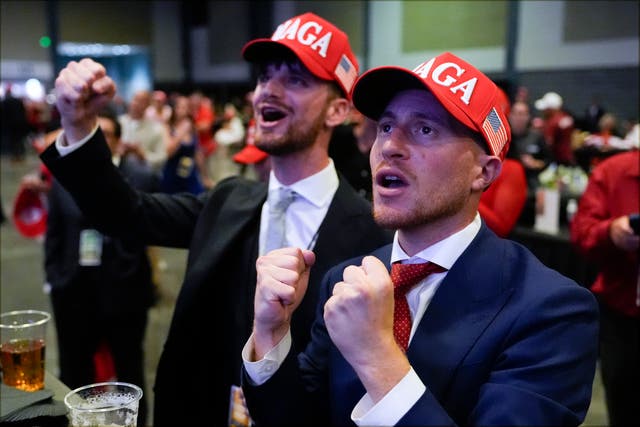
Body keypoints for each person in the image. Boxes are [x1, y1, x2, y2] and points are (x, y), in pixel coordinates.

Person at [41, 12, 392, 427]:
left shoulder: (375, 236)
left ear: (337, 110)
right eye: (264, 77)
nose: (267, 92)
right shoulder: (230, 200)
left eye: (295, 79)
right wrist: (78, 125)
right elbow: (125, 214)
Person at [241, 52, 599, 427]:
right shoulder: (345, 279)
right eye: (385, 127)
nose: (390, 146)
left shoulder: (552, 310)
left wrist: (377, 355)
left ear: (484, 171)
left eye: (425, 129)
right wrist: (270, 333)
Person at [42, 111, 157, 427]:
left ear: (119, 142)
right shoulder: (65, 178)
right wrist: (54, 278)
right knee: (73, 372)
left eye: (107, 134)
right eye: (95, 134)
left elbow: (150, 230)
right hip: (74, 292)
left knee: (130, 371)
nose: (101, 140)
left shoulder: (140, 176)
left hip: (124, 292)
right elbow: (55, 233)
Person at [569, 149, 640, 427]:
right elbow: (582, 231)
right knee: (625, 407)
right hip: (623, 315)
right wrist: (610, 232)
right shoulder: (614, 172)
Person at [160, 94, 206, 194]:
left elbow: (197, 152)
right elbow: (169, 152)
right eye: (180, 107)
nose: (183, 111)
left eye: (186, 107)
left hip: (190, 174)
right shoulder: (167, 127)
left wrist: (204, 176)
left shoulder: (191, 127)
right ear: (174, 109)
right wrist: (181, 132)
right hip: (172, 175)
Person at [534, 91, 576, 165]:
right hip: (568, 159)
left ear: (551, 110)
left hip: (558, 162)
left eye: (546, 109)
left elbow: (548, 144)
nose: (543, 111)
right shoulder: (566, 118)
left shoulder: (552, 123)